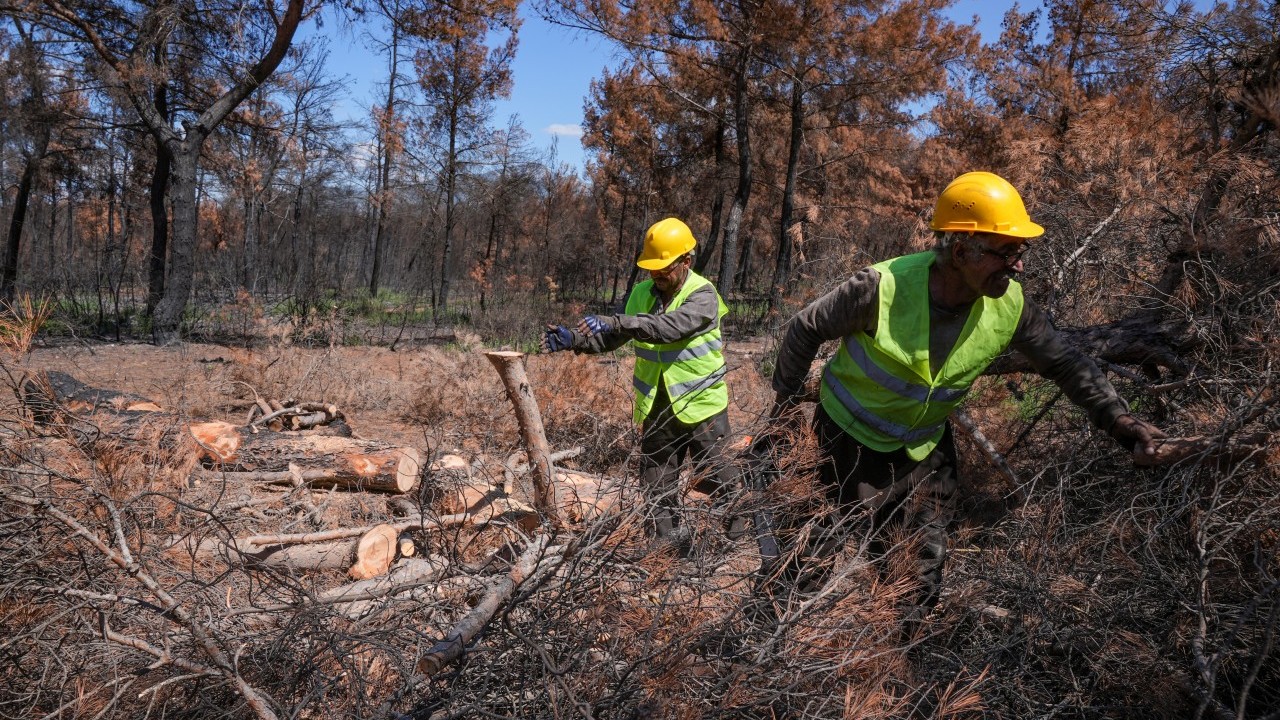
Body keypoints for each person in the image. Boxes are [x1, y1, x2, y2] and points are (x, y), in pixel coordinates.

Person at [768, 171, 1164, 615]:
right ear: (961, 251)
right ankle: (769, 654)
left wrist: (1120, 421)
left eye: (1021, 250)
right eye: (1006, 251)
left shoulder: (1011, 305)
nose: (1019, 265)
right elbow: (805, 327)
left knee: (917, 576)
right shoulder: (880, 288)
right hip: (839, 442)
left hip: (922, 451)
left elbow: (1066, 363)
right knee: (805, 561)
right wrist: (783, 411)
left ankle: (899, 665)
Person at [541, 217, 736, 548]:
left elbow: (667, 329)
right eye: (652, 269)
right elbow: (613, 338)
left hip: (702, 404)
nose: (657, 275)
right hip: (658, 403)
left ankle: (728, 541)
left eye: (665, 268)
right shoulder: (642, 293)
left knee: (718, 476)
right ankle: (665, 548)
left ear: (686, 261)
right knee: (656, 480)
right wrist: (573, 338)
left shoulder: (702, 295)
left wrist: (614, 321)